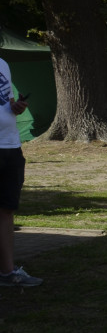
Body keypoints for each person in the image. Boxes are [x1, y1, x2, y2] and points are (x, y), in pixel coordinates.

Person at [0, 53, 41, 287]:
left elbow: (7, 102)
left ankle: (7, 272)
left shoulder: (3, 64)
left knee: (6, 209)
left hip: (10, 145)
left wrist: (16, 107)